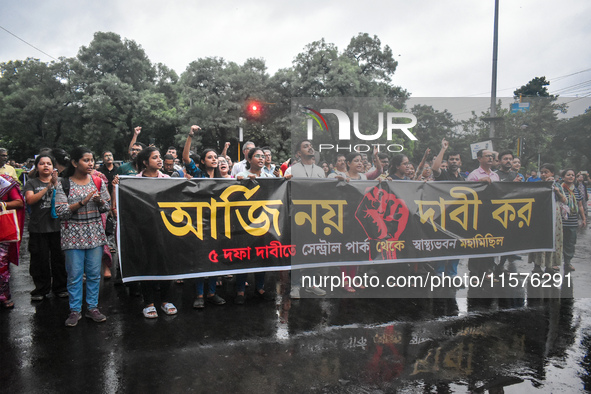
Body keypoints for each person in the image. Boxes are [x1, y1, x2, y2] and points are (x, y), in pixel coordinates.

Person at [55, 147, 110, 327]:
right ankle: (75, 310)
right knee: (75, 274)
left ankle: (92, 308)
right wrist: (82, 202)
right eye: (86, 160)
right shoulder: (64, 183)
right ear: (74, 162)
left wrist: (100, 202)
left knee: (94, 274)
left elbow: (106, 207)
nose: (90, 163)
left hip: (95, 233)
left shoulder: (98, 181)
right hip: (72, 235)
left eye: (92, 160)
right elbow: (61, 212)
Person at [182, 126, 227, 308]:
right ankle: (199, 295)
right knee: (201, 259)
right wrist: (190, 135)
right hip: (199, 222)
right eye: (210, 157)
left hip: (217, 223)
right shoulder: (198, 174)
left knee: (214, 258)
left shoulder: (223, 178)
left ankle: (212, 293)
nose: (214, 160)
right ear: (202, 161)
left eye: (216, 157)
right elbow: (185, 158)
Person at [134, 147, 180, 317]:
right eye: (155, 157)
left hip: (165, 229)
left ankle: (166, 300)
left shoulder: (166, 179)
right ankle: (149, 302)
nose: (160, 160)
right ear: (145, 162)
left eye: (159, 157)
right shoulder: (133, 181)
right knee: (147, 264)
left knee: (165, 263)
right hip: (144, 231)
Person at [23, 154, 68, 301]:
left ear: (53, 166)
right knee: (39, 260)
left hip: (57, 228)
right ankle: (41, 289)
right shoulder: (31, 183)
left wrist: (55, 185)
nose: (46, 166)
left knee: (59, 260)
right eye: (42, 163)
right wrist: (48, 187)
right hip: (38, 228)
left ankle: (60, 287)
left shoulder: (61, 182)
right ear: (37, 167)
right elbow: (30, 200)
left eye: (49, 163)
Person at [235, 147, 276, 304]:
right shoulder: (242, 175)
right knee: (243, 255)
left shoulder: (269, 177)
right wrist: (240, 180)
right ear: (249, 159)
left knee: (262, 254)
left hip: (264, 222)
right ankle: (240, 290)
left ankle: (260, 287)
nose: (261, 158)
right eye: (257, 156)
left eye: (263, 156)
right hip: (244, 223)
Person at [431, 139, 464, 280]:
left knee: (457, 245)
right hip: (443, 216)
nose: (454, 162)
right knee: (442, 244)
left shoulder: (463, 179)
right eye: (451, 159)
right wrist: (443, 149)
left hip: (458, 217)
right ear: (448, 161)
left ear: (460, 162)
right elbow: (434, 168)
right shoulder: (443, 174)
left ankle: (452, 273)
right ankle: (439, 271)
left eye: (456, 159)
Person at [466, 149, 499, 277]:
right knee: (476, 243)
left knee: (490, 242)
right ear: (479, 158)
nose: (490, 158)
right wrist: (480, 183)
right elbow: (467, 192)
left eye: (492, 156)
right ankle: (474, 273)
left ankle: (487, 271)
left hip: (492, 213)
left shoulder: (495, 176)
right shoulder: (473, 175)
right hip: (477, 214)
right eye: (487, 156)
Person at [529, 163, 565, 274]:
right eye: (542, 172)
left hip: (554, 216)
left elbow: (564, 200)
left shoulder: (557, 185)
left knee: (553, 240)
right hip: (540, 216)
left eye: (546, 172)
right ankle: (537, 265)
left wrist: (556, 191)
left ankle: (550, 265)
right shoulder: (537, 185)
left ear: (552, 173)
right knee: (539, 240)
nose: (544, 174)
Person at [0, 173, 25, 309]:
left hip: (2, 229)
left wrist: (2, 204)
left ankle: (3, 296)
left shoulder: (6, 182)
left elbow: (19, 202)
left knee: (1, 264)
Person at [561, 169, 586, 272]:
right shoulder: (559, 189)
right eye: (568, 175)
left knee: (570, 243)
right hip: (560, 221)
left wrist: (583, 219)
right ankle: (554, 264)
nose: (571, 177)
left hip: (572, 221)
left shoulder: (576, 190)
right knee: (558, 243)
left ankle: (568, 263)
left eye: (573, 175)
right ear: (563, 177)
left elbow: (580, 206)